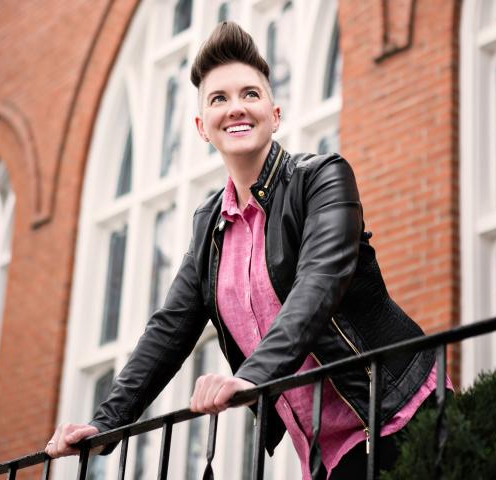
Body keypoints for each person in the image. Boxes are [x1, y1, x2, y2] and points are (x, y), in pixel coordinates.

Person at [46, 21, 446, 479]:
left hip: (401, 415)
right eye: (219, 99)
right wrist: (105, 423)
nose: (236, 108)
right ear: (202, 127)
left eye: (250, 94)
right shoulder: (209, 228)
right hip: (325, 454)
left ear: (274, 114)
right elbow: (168, 331)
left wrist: (252, 376)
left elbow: (317, 286)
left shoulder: (322, 180)